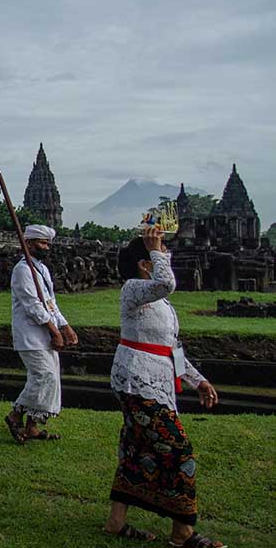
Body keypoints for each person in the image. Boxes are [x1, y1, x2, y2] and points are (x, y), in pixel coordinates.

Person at [103, 227, 224, 547]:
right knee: (177, 450)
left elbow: (171, 347)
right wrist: (155, 246)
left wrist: (197, 380)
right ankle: (182, 533)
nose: (166, 257)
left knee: (136, 449)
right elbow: (166, 281)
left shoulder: (161, 303)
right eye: (160, 255)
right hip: (136, 382)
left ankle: (116, 522)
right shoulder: (132, 289)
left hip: (154, 379)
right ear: (146, 264)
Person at [4, 224, 78, 443]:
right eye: (42, 243)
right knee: (43, 376)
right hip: (30, 334)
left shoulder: (41, 270)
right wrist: (54, 331)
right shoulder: (22, 270)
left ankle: (32, 425)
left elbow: (49, 303)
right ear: (28, 244)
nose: (47, 248)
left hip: (45, 332)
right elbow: (33, 305)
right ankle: (15, 414)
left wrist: (65, 326)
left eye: (48, 244)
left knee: (51, 379)